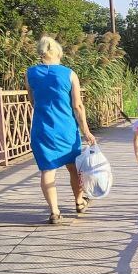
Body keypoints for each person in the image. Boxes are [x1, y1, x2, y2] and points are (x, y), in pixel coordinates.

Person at [26, 36, 97, 224]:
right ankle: (79, 201)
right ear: (58, 52)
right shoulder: (69, 74)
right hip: (66, 128)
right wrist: (86, 131)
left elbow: (32, 101)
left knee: (47, 170)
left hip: (42, 128)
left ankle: (54, 212)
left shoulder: (30, 73)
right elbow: (78, 106)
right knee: (74, 168)